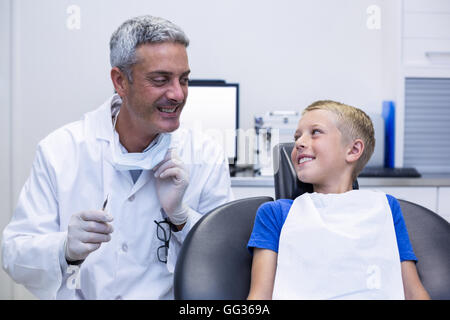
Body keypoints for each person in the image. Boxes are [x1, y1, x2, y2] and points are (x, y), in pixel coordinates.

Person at [2, 15, 233, 300]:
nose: (177, 94)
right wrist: (64, 248)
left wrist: (182, 218)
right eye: (160, 80)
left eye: (183, 80)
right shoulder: (61, 150)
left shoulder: (205, 154)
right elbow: (14, 255)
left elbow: (227, 261)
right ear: (120, 81)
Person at [247, 100, 430, 300]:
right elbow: (259, 298)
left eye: (315, 132)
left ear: (353, 150)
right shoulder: (276, 214)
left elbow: (414, 293)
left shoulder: (385, 208)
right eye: (297, 136)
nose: (299, 142)